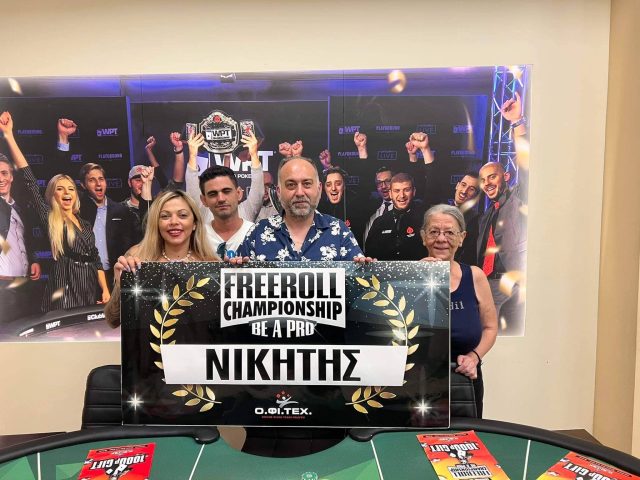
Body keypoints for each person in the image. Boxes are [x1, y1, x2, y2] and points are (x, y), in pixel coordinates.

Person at [0, 111, 109, 312]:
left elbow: (96, 258)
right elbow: (30, 181)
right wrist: (9, 135)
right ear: (53, 195)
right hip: (65, 284)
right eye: (60, 189)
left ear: (76, 194)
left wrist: (105, 289)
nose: (66, 193)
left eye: (70, 189)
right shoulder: (50, 217)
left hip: (89, 284)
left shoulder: (85, 223)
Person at [420, 203, 497, 417]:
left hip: (465, 379)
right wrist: (418, 279)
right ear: (423, 237)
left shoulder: (475, 276)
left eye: (449, 232)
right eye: (434, 232)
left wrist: (474, 357)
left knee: (466, 436)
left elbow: (490, 328)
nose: (441, 239)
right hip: (420, 382)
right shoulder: (409, 278)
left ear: (462, 237)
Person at [104, 189, 218, 328]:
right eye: (165, 216)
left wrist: (239, 280)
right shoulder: (137, 257)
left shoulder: (211, 264)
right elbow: (113, 320)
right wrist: (120, 286)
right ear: (156, 223)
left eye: (182, 215)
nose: (174, 222)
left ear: (194, 223)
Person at [238, 156, 363, 261]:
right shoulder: (257, 233)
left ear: (319, 189)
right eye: (291, 185)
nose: (299, 193)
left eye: (307, 184)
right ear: (279, 192)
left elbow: (358, 280)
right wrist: (234, 269)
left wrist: (364, 271)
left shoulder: (339, 232)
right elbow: (235, 280)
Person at [477, 92, 528, 334]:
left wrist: (517, 123)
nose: (487, 183)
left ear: (506, 177)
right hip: (486, 286)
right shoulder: (487, 215)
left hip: (512, 285)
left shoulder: (518, 198)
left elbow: (526, 166)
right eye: (483, 180)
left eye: (492, 177)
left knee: (507, 340)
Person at [185, 132, 260, 258]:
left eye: (226, 191)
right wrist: (193, 155)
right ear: (204, 200)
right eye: (212, 194)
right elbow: (192, 187)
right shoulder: (199, 233)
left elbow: (258, 190)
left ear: (239, 193)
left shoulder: (253, 228)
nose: (220, 199)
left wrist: (254, 154)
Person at [77, 162, 137, 287]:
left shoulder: (121, 211)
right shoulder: (78, 212)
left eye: (101, 179)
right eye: (92, 180)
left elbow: (129, 245)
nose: (98, 184)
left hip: (114, 276)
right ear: (83, 185)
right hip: (86, 277)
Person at [0, 152, 41, 325]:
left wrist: (33, 259)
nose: (1, 179)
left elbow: (25, 240)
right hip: (3, 287)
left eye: (4, 173)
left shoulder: (20, 208)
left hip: (24, 285)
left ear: (11, 177)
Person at [364, 172, 428, 260]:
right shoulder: (379, 222)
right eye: (397, 191)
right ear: (390, 194)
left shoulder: (425, 220)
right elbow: (369, 255)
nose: (402, 195)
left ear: (413, 192)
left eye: (406, 190)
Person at [452, 172, 481, 266]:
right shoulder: (440, 210)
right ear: (457, 185)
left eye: (471, 189)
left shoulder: (476, 221)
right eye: (463, 185)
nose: (464, 191)